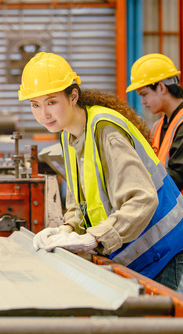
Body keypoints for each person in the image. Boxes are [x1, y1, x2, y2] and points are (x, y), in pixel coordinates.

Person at [20, 52, 183, 292]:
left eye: (51, 102)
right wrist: (67, 228)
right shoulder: (69, 136)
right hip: (140, 255)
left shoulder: (106, 131)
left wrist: (93, 238)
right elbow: (82, 202)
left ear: (73, 96)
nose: (43, 114)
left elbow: (143, 199)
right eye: (35, 104)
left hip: (166, 251)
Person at [126, 53, 183, 191]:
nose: (142, 102)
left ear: (162, 87)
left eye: (144, 94)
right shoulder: (159, 126)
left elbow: (178, 176)